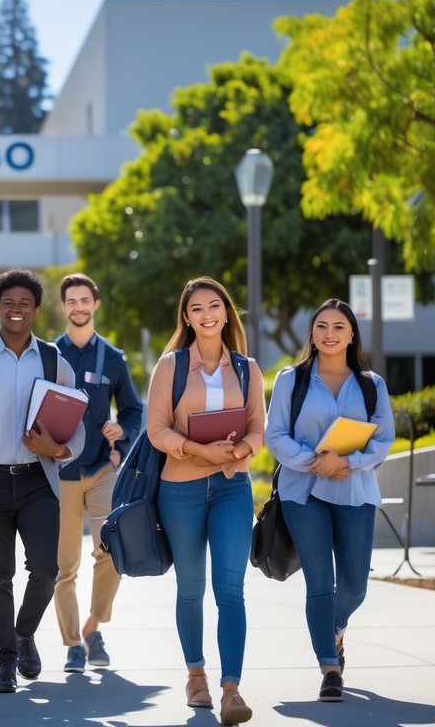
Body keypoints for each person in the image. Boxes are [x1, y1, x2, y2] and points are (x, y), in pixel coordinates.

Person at [145, 276, 264, 726]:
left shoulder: (247, 368)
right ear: (186, 317)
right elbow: (157, 431)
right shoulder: (169, 367)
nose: (207, 315)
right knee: (191, 588)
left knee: (230, 590)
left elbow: (258, 428)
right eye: (197, 309)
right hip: (181, 488)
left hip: (232, 486)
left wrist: (233, 453)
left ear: (227, 312)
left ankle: (231, 687)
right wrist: (201, 452)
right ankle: (195, 674)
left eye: (215, 306)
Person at [265, 298, 394, 703]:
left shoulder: (372, 384)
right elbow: (275, 434)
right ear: (312, 334)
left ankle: (334, 628)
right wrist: (314, 463)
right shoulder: (292, 380)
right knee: (320, 581)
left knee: (355, 584)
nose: (330, 333)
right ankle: (329, 669)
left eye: (339, 326)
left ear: (351, 333)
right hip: (302, 493)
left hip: (354, 490)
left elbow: (384, 438)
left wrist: (348, 462)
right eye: (321, 326)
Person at [0, 269, 84, 694]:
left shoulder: (56, 361)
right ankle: (4, 663)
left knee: (46, 569)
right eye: (8, 303)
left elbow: (78, 426)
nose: (16, 310)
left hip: (39, 480)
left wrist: (57, 450)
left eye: (25, 303)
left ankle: (23, 634)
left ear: (37, 309)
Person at [51, 273, 143, 673]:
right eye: (71, 301)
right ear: (63, 307)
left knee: (110, 551)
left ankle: (92, 626)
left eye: (84, 300)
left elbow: (134, 412)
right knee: (64, 565)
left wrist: (122, 431)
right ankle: (73, 644)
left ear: (95, 305)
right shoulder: (48, 355)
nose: (78, 307)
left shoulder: (114, 358)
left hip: (104, 469)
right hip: (60, 474)